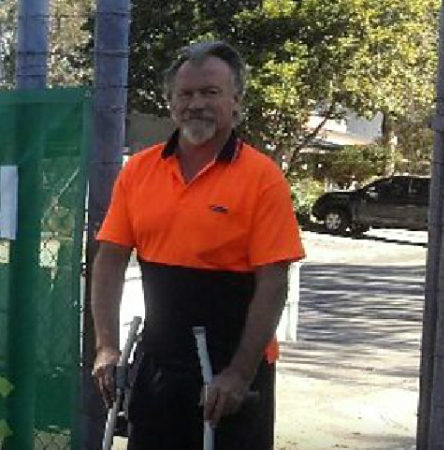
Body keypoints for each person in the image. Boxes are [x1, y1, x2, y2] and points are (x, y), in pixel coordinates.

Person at [91, 40, 305, 450]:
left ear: (236, 101)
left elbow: (273, 281)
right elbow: (110, 259)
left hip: (234, 369)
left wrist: (240, 374)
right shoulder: (138, 171)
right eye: (185, 94)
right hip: (159, 362)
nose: (196, 104)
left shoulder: (263, 178)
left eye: (210, 92)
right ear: (171, 102)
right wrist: (106, 347)